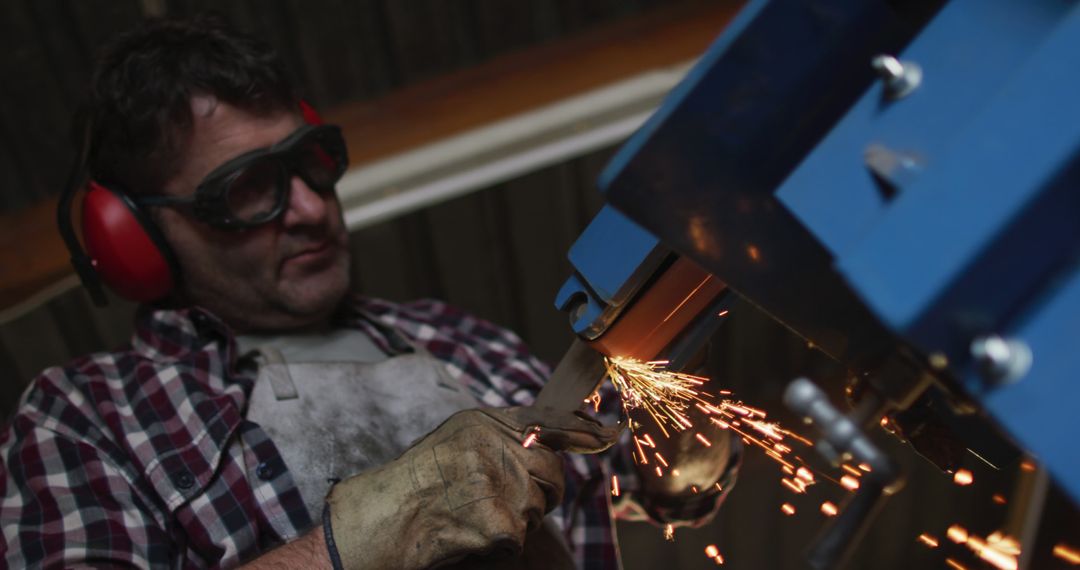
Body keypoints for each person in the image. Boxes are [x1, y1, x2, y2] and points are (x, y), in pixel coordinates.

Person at [0, 16, 738, 569]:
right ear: (138, 240)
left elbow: (628, 486)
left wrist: (678, 460)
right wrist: (350, 543)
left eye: (309, 161)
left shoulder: (460, 340)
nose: (313, 208)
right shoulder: (87, 420)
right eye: (250, 189)